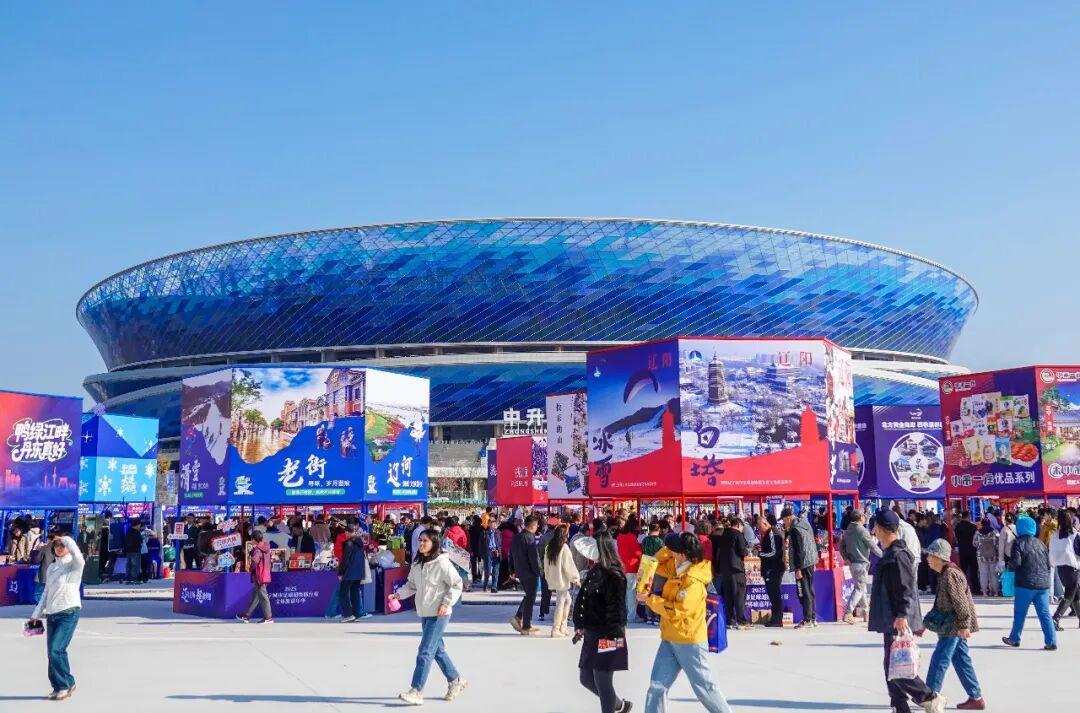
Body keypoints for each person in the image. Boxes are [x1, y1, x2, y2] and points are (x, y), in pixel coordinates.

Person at [638, 532, 732, 713]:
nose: (668, 551)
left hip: (690, 641)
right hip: (670, 638)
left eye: (671, 549)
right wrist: (668, 548)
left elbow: (676, 611)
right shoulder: (676, 566)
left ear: (681, 554)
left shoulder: (693, 581)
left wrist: (649, 599)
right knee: (657, 687)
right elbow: (654, 562)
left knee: (705, 689)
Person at [868, 510, 946, 713]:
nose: (874, 531)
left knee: (898, 664)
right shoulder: (890, 553)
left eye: (875, 527)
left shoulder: (898, 555)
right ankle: (899, 705)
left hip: (897, 617)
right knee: (891, 665)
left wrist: (902, 614)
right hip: (890, 616)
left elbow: (906, 587)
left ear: (881, 529)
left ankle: (929, 697)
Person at [390, 529, 467, 705]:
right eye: (420, 540)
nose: (421, 543)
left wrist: (446, 603)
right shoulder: (418, 564)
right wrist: (398, 595)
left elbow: (456, 584)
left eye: (425, 541)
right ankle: (455, 680)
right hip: (425, 612)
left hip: (440, 613)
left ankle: (416, 690)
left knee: (425, 651)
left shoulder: (442, 564)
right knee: (437, 650)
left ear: (434, 543)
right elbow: (411, 585)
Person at [923, 539, 985, 710]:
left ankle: (930, 695)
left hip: (954, 625)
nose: (928, 559)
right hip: (952, 623)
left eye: (930, 555)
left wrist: (964, 625)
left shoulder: (950, 574)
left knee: (940, 659)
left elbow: (961, 602)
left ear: (939, 557)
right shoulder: (946, 573)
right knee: (961, 660)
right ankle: (976, 697)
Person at [573, 531, 631, 713]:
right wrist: (580, 624)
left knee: (602, 680)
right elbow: (583, 599)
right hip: (592, 632)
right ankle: (619, 705)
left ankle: (612, 708)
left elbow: (617, 609)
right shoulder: (595, 570)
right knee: (586, 678)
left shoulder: (614, 575)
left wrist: (614, 638)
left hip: (609, 633)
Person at [27, 534, 85, 700]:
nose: (59, 548)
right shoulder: (52, 567)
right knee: (52, 652)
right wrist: (36, 614)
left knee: (56, 649)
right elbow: (46, 593)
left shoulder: (74, 565)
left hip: (68, 612)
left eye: (62, 545)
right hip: (52, 613)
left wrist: (66, 539)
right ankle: (57, 685)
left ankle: (67, 683)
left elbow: (80, 559)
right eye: (57, 545)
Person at [1002, 514, 1056, 650]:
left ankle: (1015, 638)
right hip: (1043, 584)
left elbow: (1016, 562)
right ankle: (1051, 641)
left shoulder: (1018, 543)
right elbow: (1047, 563)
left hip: (1025, 583)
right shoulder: (1040, 543)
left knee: (1020, 613)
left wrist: (1009, 567)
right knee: (1044, 614)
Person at [840, 510, 881, 624]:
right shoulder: (862, 530)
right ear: (860, 518)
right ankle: (848, 612)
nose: (865, 517)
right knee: (859, 589)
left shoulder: (847, 531)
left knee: (861, 588)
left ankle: (866, 612)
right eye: (864, 515)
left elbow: (841, 546)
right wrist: (884, 555)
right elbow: (873, 546)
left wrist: (846, 558)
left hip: (853, 563)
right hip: (861, 563)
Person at [782, 508, 818, 628]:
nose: (784, 523)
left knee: (803, 591)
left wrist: (798, 569)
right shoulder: (804, 524)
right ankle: (813, 618)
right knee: (810, 589)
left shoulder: (795, 530)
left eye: (784, 520)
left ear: (788, 518)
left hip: (803, 563)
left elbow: (799, 550)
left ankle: (807, 619)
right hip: (811, 560)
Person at [543, 524, 579, 637]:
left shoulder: (550, 546)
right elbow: (568, 565)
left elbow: (545, 563)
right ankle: (556, 628)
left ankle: (563, 626)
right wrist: (575, 578)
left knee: (567, 600)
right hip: (562, 579)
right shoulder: (564, 547)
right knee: (561, 602)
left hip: (554, 577)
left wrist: (547, 576)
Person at [715, 516, 749, 629]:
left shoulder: (723, 535)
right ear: (738, 525)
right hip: (736, 568)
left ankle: (730, 620)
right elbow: (742, 551)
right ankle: (741, 620)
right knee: (739, 594)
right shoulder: (738, 534)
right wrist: (746, 551)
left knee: (728, 595)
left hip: (725, 569)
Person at [511, 516, 543, 635]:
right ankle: (526, 626)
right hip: (530, 572)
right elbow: (534, 557)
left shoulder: (517, 537)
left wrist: (512, 570)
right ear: (533, 526)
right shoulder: (530, 538)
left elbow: (511, 554)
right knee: (531, 598)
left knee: (529, 596)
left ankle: (518, 617)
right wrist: (539, 571)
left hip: (520, 570)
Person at [1050, 508, 1080, 630]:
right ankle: (1055, 618)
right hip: (1072, 567)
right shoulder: (1074, 534)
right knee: (1070, 594)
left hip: (1060, 567)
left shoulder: (1055, 535)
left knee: (1076, 594)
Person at [338, 524, 372, 622]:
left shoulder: (349, 543)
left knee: (343, 593)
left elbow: (345, 559)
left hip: (349, 572)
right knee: (355, 593)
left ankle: (349, 615)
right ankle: (356, 614)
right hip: (359, 572)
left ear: (347, 532)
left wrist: (341, 572)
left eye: (346, 533)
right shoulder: (360, 543)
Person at [237, 531, 273, 624]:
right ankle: (246, 616)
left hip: (259, 575)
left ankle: (268, 617)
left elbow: (254, 562)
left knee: (263, 597)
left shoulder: (257, 550)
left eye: (252, 539)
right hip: (265, 574)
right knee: (256, 596)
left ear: (254, 539)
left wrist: (250, 568)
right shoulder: (266, 547)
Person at [757, 514, 785, 628]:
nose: (759, 530)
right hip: (771, 568)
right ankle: (775, 618)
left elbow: (774, 552)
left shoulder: (773, 533)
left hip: (774, 568)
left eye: (760, 527)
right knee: (773, 594)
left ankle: (777, 619)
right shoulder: (769, 534)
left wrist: (761, 554)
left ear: (765, 524)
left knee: (775, 594)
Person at [616, 515, 643, 622]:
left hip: (623, 567)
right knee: (631, 592)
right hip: (632, 567)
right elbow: (638, 553)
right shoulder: (632, 537)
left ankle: (626, 613)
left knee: (625, 592)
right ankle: (632, 616)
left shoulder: (619, 537)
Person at [954, 512, 980, 594]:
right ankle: (975, 589)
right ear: (968, 517)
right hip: (972, 551)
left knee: (963, 571)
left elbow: (956, 537)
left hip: (962, 551)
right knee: (973, 571)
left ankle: (961, 588)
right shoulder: (973, 526)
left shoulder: (958, 527)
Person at [973, 518, 999, 597]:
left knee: (983, 574)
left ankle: (984, 592)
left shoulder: (978, 532)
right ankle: (995, 592)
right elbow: (998, 545)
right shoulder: (995, 532)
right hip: (993, 556)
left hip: (981, 557)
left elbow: (974, 544)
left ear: (982, 524)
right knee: (994, 575)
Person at [34, 529, 59, 603]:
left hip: (44, 573)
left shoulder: (45, 548)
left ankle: (40, 606)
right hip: (55, 573)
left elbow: (37, 560)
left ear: (48, 539)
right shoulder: (60, 549)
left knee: (38, 592)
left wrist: (39, 550)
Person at [479, 517, 500, 593]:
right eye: (492, 522)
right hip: (488, 552)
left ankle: (494, 587)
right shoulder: (484, 532)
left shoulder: (498, 532)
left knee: (496, 570)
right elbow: (480, 545)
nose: (493, 524)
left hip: (496, 552)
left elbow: (500, 542)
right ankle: (485, 585)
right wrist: (482, 555)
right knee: (487, 570)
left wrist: (499, 550)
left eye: (494, 522)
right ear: (488, 523)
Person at [123, 520, 143, 584]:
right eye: (139, 525)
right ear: (137, 525)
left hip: (128, 551)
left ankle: (128, 579)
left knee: (129, 565)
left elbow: (125, 541)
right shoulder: (136, 532)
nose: (140, 526)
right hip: (135, 550)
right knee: (135, 565)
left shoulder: (128, 531)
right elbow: (140, 540)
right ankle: (134, 579)